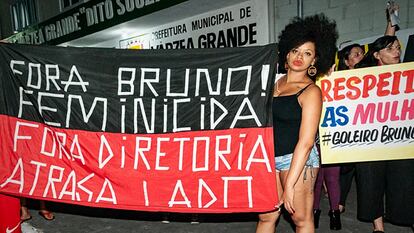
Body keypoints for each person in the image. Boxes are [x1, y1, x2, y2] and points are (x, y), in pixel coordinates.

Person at [256, 14, 338, 233]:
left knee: (301, 218)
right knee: (266, 216)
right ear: (287, 53)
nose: (300, 57)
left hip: (297, 161)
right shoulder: (273, 84)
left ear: (314, 61)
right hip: (267, 158)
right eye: (295, 50)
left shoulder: (311, 92)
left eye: (307, 53)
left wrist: (290, 184)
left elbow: (306, 141)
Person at [335, 3, 399, 215]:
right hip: (360, 132)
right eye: (355, 54)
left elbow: (383, 47)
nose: (361, 56)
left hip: (388, 130)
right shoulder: (350, 77)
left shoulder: (376, 70)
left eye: (362, 53)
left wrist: (392, 22)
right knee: (352, 172)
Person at [354, 35, 414, 233]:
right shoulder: (363, 77)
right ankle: (378, 227)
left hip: (400, 139)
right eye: (390, 49)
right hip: (371, 141)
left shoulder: (407, 75)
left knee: (405, 180)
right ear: (377, 54)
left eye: (398, 47)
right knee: (372, 182)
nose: (396, 52)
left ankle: (407, 216)